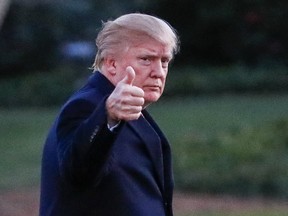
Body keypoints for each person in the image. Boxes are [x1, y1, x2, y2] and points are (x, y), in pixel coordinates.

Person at [39, 13, 179, 216]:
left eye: (164, 61)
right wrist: (108, 116)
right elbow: (79, 172)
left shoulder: (127, 107)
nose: (159, 72)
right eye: (146, 59)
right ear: (112, 64)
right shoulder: (87, 105)